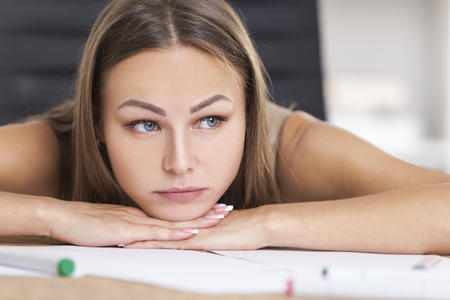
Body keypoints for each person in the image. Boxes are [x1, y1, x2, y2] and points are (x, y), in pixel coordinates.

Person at [1, 0, 450, 254]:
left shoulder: (288, 146)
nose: (179, 163)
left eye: (210, 120)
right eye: (144, 124)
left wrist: (269, 225)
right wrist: (53, 216)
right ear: (98, 121)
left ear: (251, 114)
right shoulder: (55, 145)